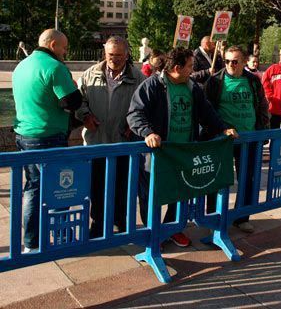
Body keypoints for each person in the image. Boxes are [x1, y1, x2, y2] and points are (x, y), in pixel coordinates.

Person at [127, 47, 238, 247]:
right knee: (150, 195)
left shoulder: (192, 86)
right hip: (158, 154)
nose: (192, 70)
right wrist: (148, 132)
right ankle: (152, 233)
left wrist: (223, 129)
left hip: (183, 154)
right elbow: (134, 114)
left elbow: (207, 111)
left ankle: (173, 228)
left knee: (179, 193)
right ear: (177, 68)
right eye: (189, 66)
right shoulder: (152, 85)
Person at [12, 29, 83, 252]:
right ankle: (63, 239)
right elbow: (71, 102)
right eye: (64, 47)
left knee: (33, 188)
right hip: (48, 136)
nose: (65, 52)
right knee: (60, 188)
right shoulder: (55, 67)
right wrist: (72, 83)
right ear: (53, 45)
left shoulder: (22, 65)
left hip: (24, 135)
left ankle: (31, 242)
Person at [76, 36, 146, 238]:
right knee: (96, 186)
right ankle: (98, 223)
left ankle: (121, 222)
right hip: (96, 141)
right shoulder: (91, 74)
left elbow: (145, 106)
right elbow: (79, 100)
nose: (114, 59)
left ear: (127, 54)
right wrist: (85, 116)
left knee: (123, 185)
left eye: (118, 55)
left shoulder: (138, 77)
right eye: (110, 55)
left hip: (123, 142)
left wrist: (134, 126)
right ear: (104, 54)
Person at [205, 46, 269, 233]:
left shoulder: (252, 81)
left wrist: (262, 129)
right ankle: (213, 217)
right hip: (222, 140)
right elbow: (207, 110)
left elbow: (262, 105)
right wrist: (220, 129)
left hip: (248, 138)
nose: (230, 64)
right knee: (217, 180)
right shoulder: (215, 81)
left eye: (235, 61)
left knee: (247, 178)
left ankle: (242, 217)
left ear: (243, 62)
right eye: (227, 61)